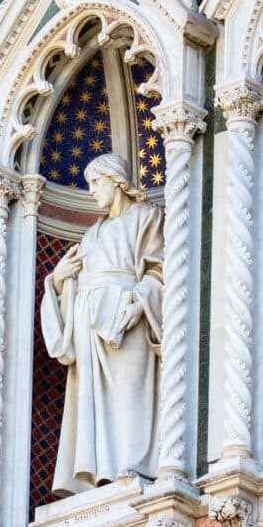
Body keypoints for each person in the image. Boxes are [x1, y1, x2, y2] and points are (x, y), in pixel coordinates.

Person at [40, 154, 169, 494]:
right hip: (88, 324)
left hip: (125, 317)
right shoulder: (92, 234)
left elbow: (161, 267)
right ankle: (103, 474)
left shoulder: (147, 217)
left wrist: (140, 306)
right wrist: (57, 281)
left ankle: (135, 465)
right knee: (93, 403)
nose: (92, 191)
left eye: (96, 182)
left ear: (116, 180)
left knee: (130, 391)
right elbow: (72, 280)